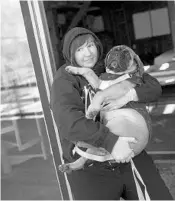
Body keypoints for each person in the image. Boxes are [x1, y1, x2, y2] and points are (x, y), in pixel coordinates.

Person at [50, 27, 173, 200]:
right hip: (93, 167)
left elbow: (152, 86)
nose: (87, 53)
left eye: (90, 45)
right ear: (70, 54)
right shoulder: (65, 79)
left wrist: (130, 95)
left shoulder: (109, 67)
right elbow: (69, 123)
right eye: (79, 49)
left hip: (129, 153)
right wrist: (111, 142)